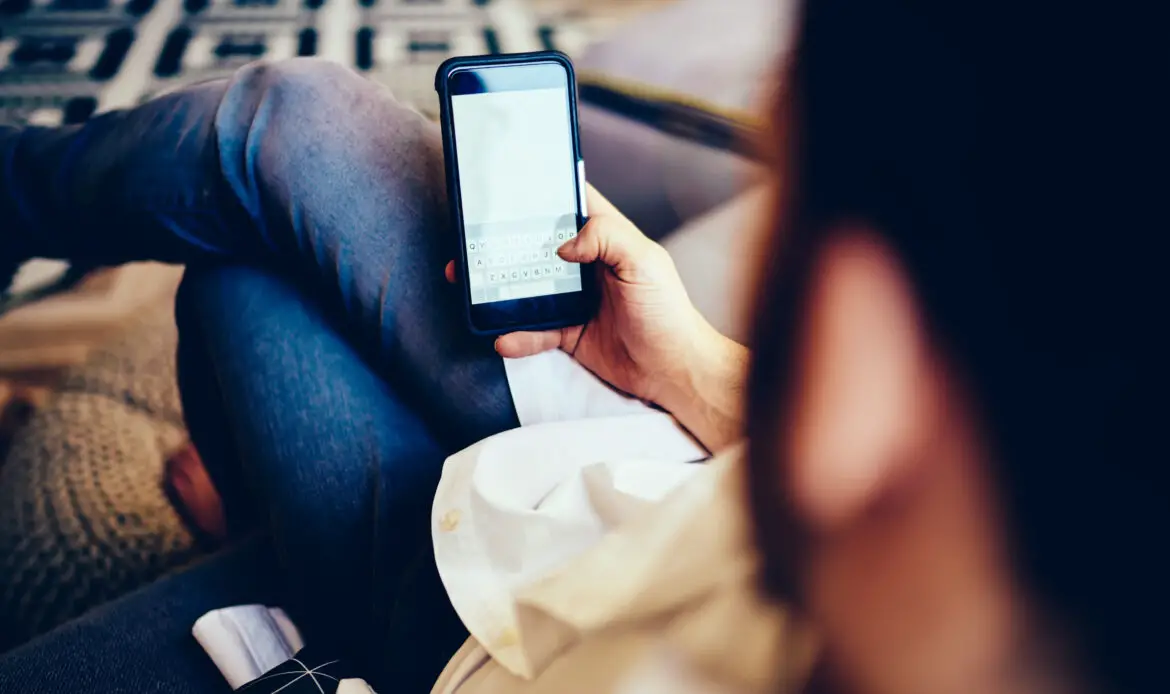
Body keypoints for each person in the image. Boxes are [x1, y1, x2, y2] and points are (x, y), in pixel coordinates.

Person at [2, 1, 1166, 693]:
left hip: (454, 639)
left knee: (237, 286)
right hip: (592, 495)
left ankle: (279, 547)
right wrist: (695, 368)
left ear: (861, 373)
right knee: (279, 144)